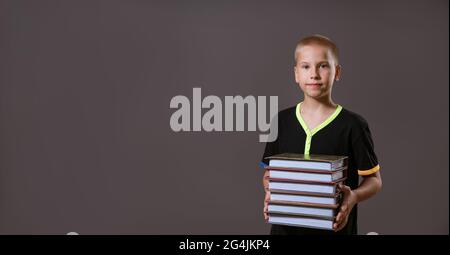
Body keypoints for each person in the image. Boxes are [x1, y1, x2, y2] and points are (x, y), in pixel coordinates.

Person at [261, 34, 382, 235]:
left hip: (335, 228)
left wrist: (353, 196)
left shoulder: (353, 125)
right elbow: (269, 174)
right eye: (306, 66)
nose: (314, 74)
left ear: (337, 72)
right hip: (284, 230)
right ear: (296, 74)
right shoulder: (279, 121)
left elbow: (375, 181)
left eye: (323, 66)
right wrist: (271, 190)